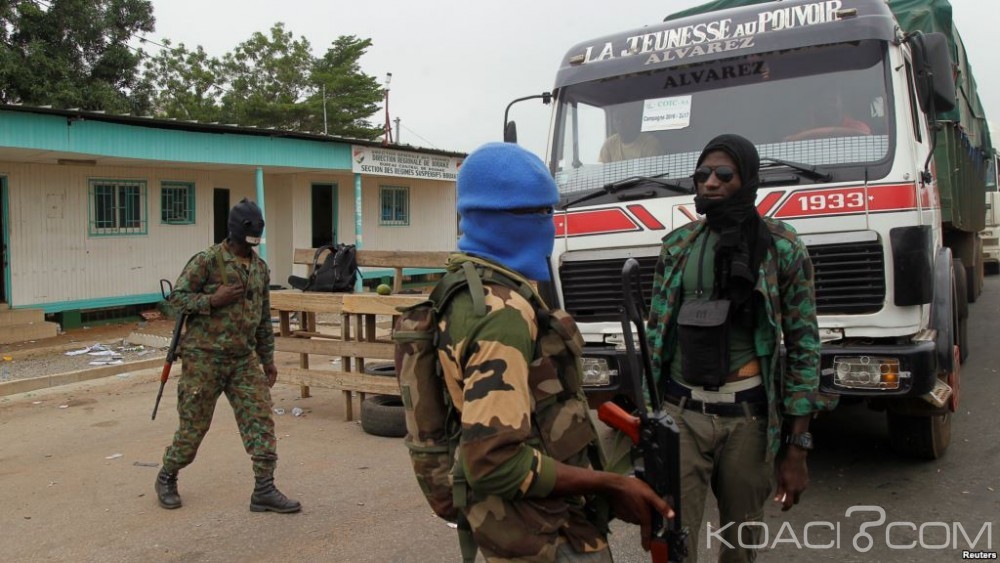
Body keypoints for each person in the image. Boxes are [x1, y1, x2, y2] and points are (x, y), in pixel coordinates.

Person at [439, 142, 672, 561]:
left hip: (513, 523)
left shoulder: (463, 285)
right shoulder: (502, 313)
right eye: (540, 213)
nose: (550, 224)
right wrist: (610, 484)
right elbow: (494, 461)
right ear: (503, 218)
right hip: (544, 530)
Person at [645, 134, 837, 561]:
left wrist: (797, 449)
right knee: (672, 542)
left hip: (747, 420)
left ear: (746, 178)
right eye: (702, 175)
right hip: (681, 416)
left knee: (740, 547)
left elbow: (805, 344)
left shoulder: (781, 246)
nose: (710, 183)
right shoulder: (677, 247)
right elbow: (655, 338)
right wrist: (649, 425)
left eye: (723, 174)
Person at [154, 198, 300, 514]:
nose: (249, 247)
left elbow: (263, 317)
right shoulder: (207, 261)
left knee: (261, 421)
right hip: (203, 359)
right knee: (193, 430)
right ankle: (167, 474)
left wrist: (268, 358)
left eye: (254, 242)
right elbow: (174, 301)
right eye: (245, 241)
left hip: (242, 360)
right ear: (233, 234)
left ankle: (264, 489)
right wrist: (212, 300)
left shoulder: (260, 269)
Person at [785, 89, 871, 141]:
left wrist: (801, 136)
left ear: (842, 104)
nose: (827, 106)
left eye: (832, 100)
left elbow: (863, 134)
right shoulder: (803, 129)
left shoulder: (856, 126)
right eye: (822, 102)